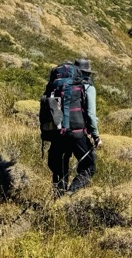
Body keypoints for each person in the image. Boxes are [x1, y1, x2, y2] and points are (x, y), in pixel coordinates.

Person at [47, 59, 100, 196]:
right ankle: (71, 194)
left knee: (60, 167)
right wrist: (95, 135)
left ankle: (58, 198)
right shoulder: (87, 87)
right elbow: (90, 114)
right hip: (76, 132)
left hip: (58, 131)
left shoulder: (58, 84)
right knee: (89, 166)